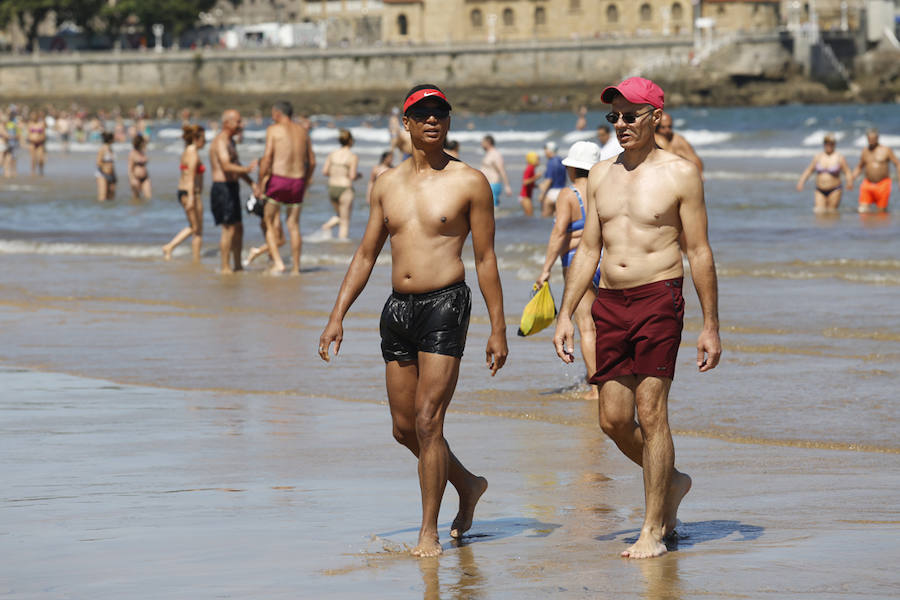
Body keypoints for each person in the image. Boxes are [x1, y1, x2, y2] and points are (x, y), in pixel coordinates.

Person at [318, 84, 508, 558]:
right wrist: (337, 315)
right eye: (422, 114)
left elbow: (486, 258)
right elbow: (366, 254)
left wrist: (498, 328)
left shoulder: (471, 182)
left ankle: (429, 531)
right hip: (398, 309)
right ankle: (468, 484)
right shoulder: (386, 184)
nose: (432, 120)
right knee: (404, 429)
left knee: (428, 421)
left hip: (446, 304)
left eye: (440, 112)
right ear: (406, 123)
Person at [553, 77, 721, 559]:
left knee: (651, 413)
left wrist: (710, 325)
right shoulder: (600, 175)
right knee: (612, 419)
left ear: (656, 117)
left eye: (630, 116)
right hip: (609, 301)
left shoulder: (681, 174)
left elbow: (699, 251)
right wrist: (565, 314)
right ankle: (672, 482)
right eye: (615, 117)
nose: (621, 124)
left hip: (658, 297)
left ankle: (653, 529)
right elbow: (589, 249)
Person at [537, 141, 602, 400]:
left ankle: (596, 387)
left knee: (587, 327)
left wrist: (546, 269)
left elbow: (559, 232)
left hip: (577, 261)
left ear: (572, 168)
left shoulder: (568, 194)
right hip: (605, 258)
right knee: (606, 325)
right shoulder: (603, 189)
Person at [256, 100, 315, 274]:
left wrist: (260, 183)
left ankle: (278, 263)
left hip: (278, 179)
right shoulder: (303, 131)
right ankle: (296, 268)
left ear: (277, 113)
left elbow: (267, 158)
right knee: (293, 225)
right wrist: (306, 181)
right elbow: (312, 161)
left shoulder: (273, 130)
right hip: (297, 181)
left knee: (268, 221)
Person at [209, 109, 256, 274]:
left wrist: (252, 183)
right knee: (228, 228)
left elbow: (236, 166)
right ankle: (225, 267)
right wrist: (247, 169)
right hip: (222, 188)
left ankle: (237, 265)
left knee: (238, 227)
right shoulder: (220, 141)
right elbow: (226, 166)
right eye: (238, 121)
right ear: (227, 123)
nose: (241, 125)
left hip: (232, 187)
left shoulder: (231, 142)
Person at [163, 125, 206, 261]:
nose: (205, 142)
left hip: (185, 192)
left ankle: (172, 247)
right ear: (196, 138)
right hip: (191, 193)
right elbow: (191, 176)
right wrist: (192, 197)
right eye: (203, 139)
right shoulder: (192, 152)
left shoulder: (187, 150)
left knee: (194, 227)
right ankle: (195, 259)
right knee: (197, 229)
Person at [317, 129, 359, 241]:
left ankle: (327, 226)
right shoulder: (352, 156)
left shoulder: (332, 154)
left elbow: (325, 171)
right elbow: (352, 176)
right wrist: (358, 175)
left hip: (332, 188)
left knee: (340, 215)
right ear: (350, 141)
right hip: (345, 189)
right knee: (345, 220)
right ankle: (342, 243)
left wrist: (336, 172)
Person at [795, 133, 853, 214]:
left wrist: (849, 182)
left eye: (831, 143)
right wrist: (801, 182)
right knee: (819, 212)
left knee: (832, 212)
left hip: (835, 190)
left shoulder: (839, 157)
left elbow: (847, 171)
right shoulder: (818, 157)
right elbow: (809, 170)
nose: (829, 145)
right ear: (824, 144)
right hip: (819, 190)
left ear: (834, 144)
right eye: (827, 143)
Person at [849, 128, 900, 213]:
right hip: (868, 183)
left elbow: (897, 164)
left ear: (877, 138)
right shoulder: (865, 151)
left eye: (873, 138)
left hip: (883, 184)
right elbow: (859, 167)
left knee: (881, 212)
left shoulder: (886, 150)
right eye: (869, 139)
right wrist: (851, 179)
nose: (871, 141)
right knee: (862, 210)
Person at [480, 135, 513, 207]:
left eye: (483, 142)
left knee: (492, 208)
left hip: (493, 184)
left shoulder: (495, 154)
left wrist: (507, 186)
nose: (481, 144)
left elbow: (502, 170)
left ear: (488, 142)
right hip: (488, 185)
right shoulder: (489, 153)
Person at [539, 141, 566, 217]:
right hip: (561, 191)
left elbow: (549, 180)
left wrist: (542, 194)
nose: (544, 152)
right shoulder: (561, 160)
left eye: (545, 150)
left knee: (545, 216)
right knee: (556, 217)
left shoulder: (551, 162)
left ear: (550, 150)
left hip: (552, 192)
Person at [127, 134, 152, 202]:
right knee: (136, 199)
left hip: (145, 178)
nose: (143, 144)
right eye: (142, 142)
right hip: (136, 178)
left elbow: (147, 140)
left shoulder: (142, 152)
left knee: (149, 197)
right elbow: (130, 168)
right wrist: (132, 179)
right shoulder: (132, 153)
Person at [95, 132, 117, 202]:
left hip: (111, 174)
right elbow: (98, 162)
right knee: (103, 196)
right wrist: (105, 168)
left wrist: (114, 175)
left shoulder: (111, 149)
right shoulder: (102, 149)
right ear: (110, 139)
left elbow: (112, 163)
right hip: (102, 174)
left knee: (111, 196)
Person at [518, 151, 541, 216]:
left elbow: (530, 183)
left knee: (528, 216)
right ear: (533, 160)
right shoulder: (530, 168)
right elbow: (525, 182)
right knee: (530, 216)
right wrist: (536, 177)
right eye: (538, 159)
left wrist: (538, 186)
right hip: (525, 196)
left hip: (526, 196)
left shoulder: (532, 168)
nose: (539, 161)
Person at [27, 111, 47, 175]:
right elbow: (28, 134)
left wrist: (41, 139)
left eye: (34, 116)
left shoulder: (42, 123)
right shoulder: (30, 124)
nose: (33, 117)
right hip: (32, 143)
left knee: (41, 159)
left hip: (40, 143)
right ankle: (33, 171)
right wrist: (30, 139)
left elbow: (44, 134)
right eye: (32, 116)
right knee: (33, 158)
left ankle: (41, 170)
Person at [2, 112, 21, 179]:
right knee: (4, 159)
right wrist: (13, 137)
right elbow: (6, 135)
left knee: (10, 158)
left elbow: (18, 133)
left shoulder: (13, 124)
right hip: (5, 144)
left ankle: (9, 172)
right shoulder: (4, 125)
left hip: (10, 144)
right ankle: (8, 172)